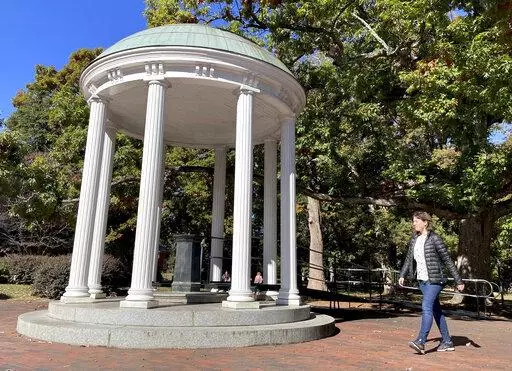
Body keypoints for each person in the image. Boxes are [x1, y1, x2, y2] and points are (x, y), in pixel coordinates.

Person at [399, 211, 465, 355]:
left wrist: (458, 280)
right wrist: (402, 275)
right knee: (436, 311)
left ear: (425, 222)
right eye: (413, 221)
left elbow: (447, 260)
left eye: (416, 221)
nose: (414, 223)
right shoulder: (414, 239)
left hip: (436, 279)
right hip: (422, 280)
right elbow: (409, 258)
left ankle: (421, 341)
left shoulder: (435, 239)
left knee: (426, 306)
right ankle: (447, 341)